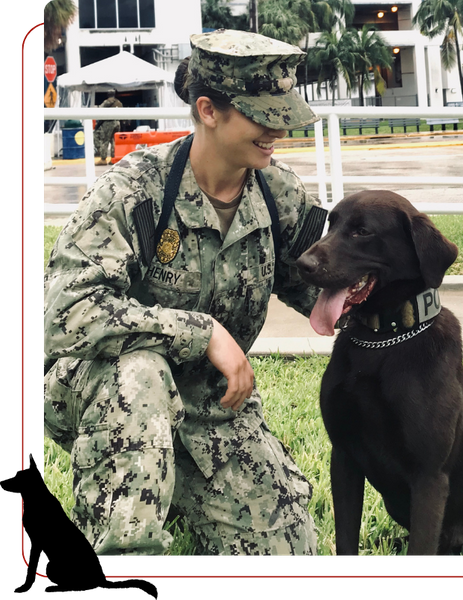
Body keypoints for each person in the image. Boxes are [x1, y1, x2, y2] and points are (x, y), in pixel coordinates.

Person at [42, 29, 327, 558]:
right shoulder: (136, 190)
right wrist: (202, 332)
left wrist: (385, 294)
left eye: (282, 111)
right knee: (143, 372)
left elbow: (321, 286)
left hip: (208, 399)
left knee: (289, 549)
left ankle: (171, 481)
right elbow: (65, 313)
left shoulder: (275, 191)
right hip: (100, 383)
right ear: (208, 110)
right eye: (263, 114)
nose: (278, 129)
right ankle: (128, 545)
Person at [93, 89, 123, 164]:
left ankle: (103, 159)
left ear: (108, 94)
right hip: (117, 122)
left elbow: (100, 110)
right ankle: (113, 159)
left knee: (104, 141)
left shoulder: (107, 102)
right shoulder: (118, 102)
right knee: (114, 141)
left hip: (108, 123)